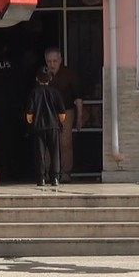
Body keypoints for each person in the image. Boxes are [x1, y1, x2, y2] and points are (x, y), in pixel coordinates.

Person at [44, 47, 84, 182]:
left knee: (65, 142)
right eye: (49, 61)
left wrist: (79, 117)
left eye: (55, 61)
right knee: (48, 143)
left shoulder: (69, 74)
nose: (52, 64)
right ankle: (48, 172)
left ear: (60, 60)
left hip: (66, 112)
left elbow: (78, 97)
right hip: (48, 113)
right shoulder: (43, 75)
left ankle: (66, 172)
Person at [26, 66, 67, 187]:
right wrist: (60, 122)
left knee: (40, 153)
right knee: (54, 152)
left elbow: (29, 114)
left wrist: (31, 123)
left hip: (38, 127)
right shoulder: (55, 92)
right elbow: (62, 112)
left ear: (37, 79)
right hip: (53, 126)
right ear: (50, 79)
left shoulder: (34, 92)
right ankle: (55, 178)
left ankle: (41, 178)